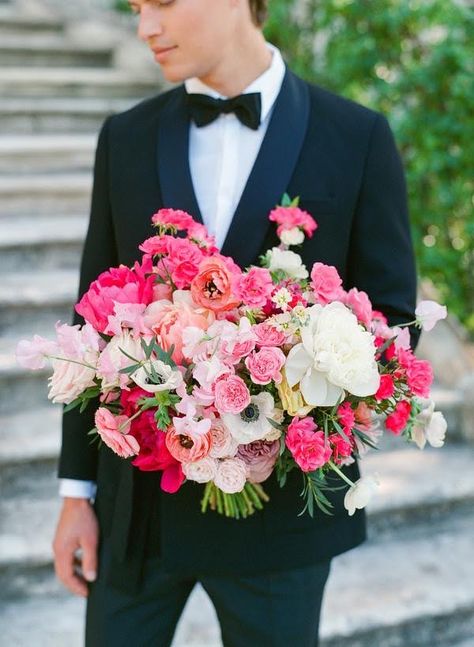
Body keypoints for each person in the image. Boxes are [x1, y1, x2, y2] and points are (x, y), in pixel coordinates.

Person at [53, 1, 418, 645]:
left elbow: (394, 319)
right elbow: (92, 322)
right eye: (136, 9)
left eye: (162, 3)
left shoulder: (356, 135)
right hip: (138, 512)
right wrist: (76, 494)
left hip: (281, 518)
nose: (145, 29)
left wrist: (305, 376)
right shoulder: (125, 137)